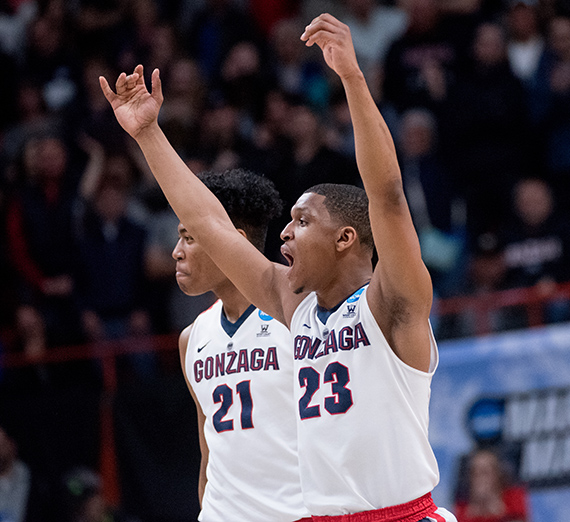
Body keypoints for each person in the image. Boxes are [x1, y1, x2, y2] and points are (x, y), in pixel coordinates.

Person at [100, 13, 456, 520]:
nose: (284, 232)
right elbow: (210, 223)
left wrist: (353, 79)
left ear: (346, 239)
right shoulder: (295, 308)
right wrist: (148, 135)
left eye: (301, 221)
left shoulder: (392, 304)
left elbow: (388, 196)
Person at [174, 169, 309, 522]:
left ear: (232, 240)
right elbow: (209, 452)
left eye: (190, 238)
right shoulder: (192, 337)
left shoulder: (298, 316)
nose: (176, 253)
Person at [453, 448, 529, 522]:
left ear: (497, 475)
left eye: (485, 472)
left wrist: (496, 507)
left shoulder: (514, 497)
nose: (480, 478)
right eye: (474, 473)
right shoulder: (461, 510)